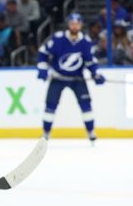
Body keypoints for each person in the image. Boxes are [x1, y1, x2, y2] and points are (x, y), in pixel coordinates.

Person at [37, 12, 105, 142]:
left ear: (81, 25)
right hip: (57, 78)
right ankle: (46, 132)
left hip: (77, 79)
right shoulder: (58, 38)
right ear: (68, 24)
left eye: (77, 24)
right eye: (72, 24)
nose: (74, 26)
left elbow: (90, 61)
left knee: (86, 105)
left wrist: (96, 74)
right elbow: (43, 52)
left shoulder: (85, 41)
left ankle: (90, 131)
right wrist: (42, 68)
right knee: (50, 105)